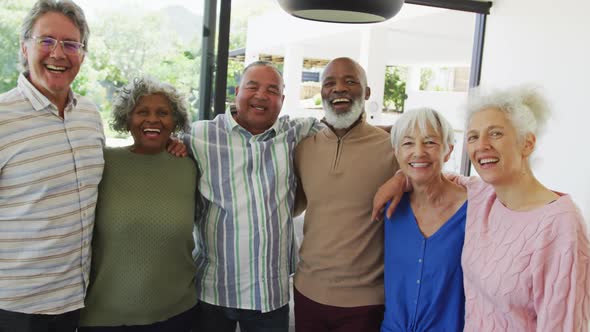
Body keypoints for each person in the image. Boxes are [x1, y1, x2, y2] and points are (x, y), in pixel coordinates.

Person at [372, 85, 590, 331]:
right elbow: (437, 179)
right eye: (473, 136)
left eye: (495, 133)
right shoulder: (482, 196)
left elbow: (565, 322)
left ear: (527, 143)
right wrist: (402, 177)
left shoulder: (560, 222)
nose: (482, 145)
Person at [186, 61, 322, 332]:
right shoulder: (198, 136)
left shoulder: (296, 133)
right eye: (252, 86)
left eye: (272, 90)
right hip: (213, 289)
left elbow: (352, 134)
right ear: (237, 92)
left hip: (269, 293)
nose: (261, 95)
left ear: (282, 100)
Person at [0, 1, 103, 330]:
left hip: (77, 300)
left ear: (82, 54)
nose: (58, 54)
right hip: (16, 307)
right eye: (46, 41)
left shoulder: (90, 115)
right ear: (24, 46)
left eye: (71, 44)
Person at [77, 77, 198, 331]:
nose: (152, 119)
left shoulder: (191, 166)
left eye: (163, 113)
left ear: (175, 121)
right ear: (127, 119)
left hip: (177, 314)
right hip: (106, 316)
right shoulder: (104, 163)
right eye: (142, 112)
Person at [292, 57, 397, 332]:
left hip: (366, 301)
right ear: (321, 92)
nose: (339, 88)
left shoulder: (393, 148)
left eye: (350, 81)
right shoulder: (303, 147)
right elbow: (290, 205)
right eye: (330, 83)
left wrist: (403, 179)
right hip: (307, 292)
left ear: (367, 92)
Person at [381, 108, 466, 332]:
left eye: (430, 142)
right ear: (396, 152)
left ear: (448, 151)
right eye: (408, 143)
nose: (419, 152)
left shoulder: (475, 209)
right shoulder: (389, 206)